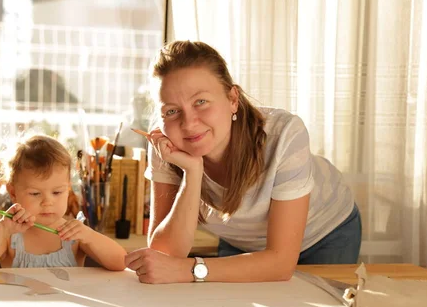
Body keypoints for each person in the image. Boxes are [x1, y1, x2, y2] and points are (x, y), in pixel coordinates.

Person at [125, 41, 361, 284]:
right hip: (243, 244)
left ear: (233, 99)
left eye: (201, 102)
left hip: (324, 232)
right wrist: (193, 172)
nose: (188, 123)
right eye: (172, 111)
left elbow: (280, 264)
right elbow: (164, 255)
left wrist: (188, 270)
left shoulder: (284, 134)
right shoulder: (167, 143)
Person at [0, 135, 127, 270]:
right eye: (35, 193)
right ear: (13, 192)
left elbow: (121, 262)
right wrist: (2, 227)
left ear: (68, 189)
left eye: (57, 192)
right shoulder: (9, 237)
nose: (47, 202)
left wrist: (89, 235)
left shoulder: (75, 236)